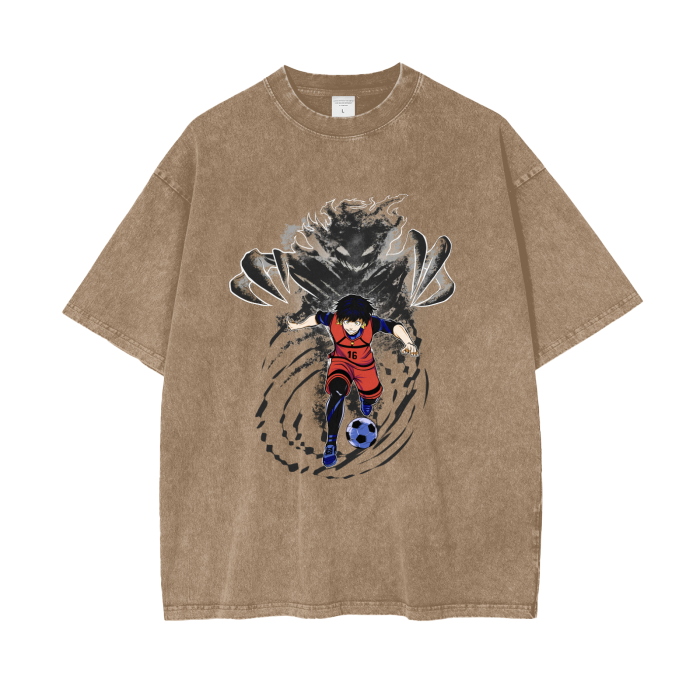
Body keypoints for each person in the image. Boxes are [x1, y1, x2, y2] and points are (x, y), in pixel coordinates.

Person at [287, 294, 418, 467]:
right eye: (346, 321)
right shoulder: (333, 320)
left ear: (362, 322)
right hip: (341, 364)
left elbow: (395, 327)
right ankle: (331, 443)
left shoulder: (372, 323)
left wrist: (408, 342)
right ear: (341, 319)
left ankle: (367, 400)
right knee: (337, 392)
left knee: (372, 396)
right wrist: (298, 325)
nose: (350, 326)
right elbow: (317, 318)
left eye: (356, 323)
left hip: (365, 367)